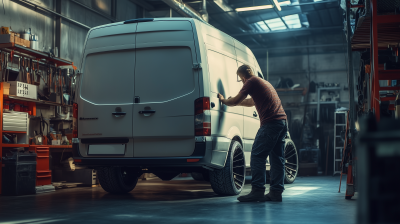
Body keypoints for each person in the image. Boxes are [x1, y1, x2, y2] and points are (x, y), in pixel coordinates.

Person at [218, 64, 287, 202]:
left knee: (257, 155)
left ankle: (257, 191)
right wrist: (235, 101)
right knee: (277, 159)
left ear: (242, 76)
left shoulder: (250, 81)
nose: (241, 81)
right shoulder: (262, 81)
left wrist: (224, 100)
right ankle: (276, 192)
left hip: (271, 123)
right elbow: (250, 102)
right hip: (282, 121)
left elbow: (236, 100)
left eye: (240, 79)